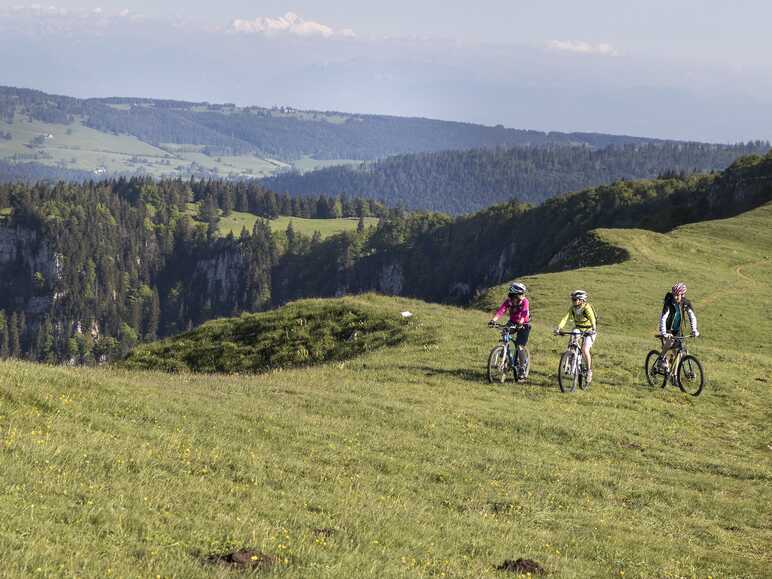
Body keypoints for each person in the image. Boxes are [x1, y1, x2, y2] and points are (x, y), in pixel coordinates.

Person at [488, 281, 530, 379]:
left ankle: (522, 368)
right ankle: (505, 353)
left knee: (519, 346)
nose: (522, 296)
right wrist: (493, 320)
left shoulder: (525, 301)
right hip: (512, 322)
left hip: (524, 324)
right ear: (514, 294)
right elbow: (501, 310)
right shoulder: (509, 301)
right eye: (520, 294)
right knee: (504, 333)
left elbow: (524, 312)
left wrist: (521, 321)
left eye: (522, 294)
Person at [554, 289, 597, 383]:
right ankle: (569, 361)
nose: (573, 301)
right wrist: (558, 328)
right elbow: (565, 318)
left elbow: (592, 319)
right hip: (578, 328)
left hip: (589, 330)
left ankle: (589, 371)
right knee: (571, 343)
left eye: (575, 299)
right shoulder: (572, 308)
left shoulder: (587, 308)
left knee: (585, 349)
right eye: (572, 299)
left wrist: (593, 329)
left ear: (581, 300)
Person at [658, 282, 699, 370]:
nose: (675, 297)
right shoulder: (669, 303)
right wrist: (664, 332)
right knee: (670, 342)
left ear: (683, 294)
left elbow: (692, 317)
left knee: (678, 353)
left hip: (677, 329)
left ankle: (675, 376)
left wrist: (694, 330)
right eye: (674, 295)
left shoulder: (686, 303)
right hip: (667, 327)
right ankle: (661, 358)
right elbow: (663, 317)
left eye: (677, 295)